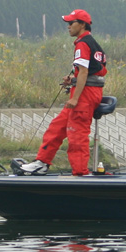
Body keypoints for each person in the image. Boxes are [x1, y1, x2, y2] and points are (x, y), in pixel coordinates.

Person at [19, 9, 107, 176]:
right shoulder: (92, 43)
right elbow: (95, 70)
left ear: (82, 25)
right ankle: (42, 163)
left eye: (71, 23)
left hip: (84, 96)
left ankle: (81, 173)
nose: (68, 26)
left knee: (77, 134)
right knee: (57, 127)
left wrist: (74, 98)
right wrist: (72, 79)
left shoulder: (83, 44)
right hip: (86, 92)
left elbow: (84, 72)